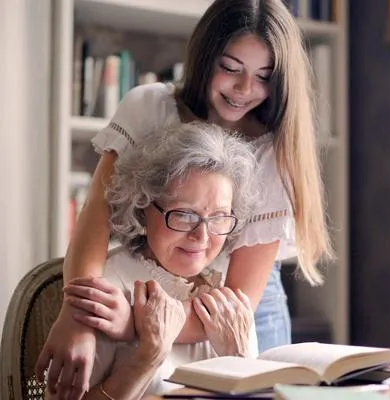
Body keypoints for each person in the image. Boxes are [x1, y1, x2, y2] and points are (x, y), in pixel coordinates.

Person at [37, 0, 333, 399]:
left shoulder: (274, 152)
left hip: (237, 304)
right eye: (230, 68)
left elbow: (240, 298)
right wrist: (79, 313)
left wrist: (133, 324)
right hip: (148, 287)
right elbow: (96, 214)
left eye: (264, 76)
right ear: (205, 56)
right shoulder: (150, 107)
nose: (245, 90)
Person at [46, 122, 259, 399]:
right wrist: (147, 359)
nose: (202, 236)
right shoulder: (106, 289)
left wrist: (239, 359)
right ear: (143, 207)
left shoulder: (228, 293)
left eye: (219, 216)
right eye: (184, 214)